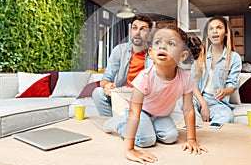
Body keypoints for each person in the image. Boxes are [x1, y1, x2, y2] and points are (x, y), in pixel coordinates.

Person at [103, 24, 207, 164]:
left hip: (161, 114)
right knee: (146, 140)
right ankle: (120, 124)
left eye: (170, 43)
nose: (162, 47)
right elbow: (135, 111)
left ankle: (147, 127)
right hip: (141, 112)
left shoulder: (186, 77)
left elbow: (188, 109)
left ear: (183, 55)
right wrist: (130, 150)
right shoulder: (145, 77)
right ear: (151, 53)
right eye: (158, 43)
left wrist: (191, 139)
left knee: (171, 137)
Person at [92, 14, 153, 117]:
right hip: (122, 94)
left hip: (143, 98)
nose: (137, 32)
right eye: (134, 28)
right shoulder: (119, 50)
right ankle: (111, 122)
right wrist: (107, 85)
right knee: (98, 93)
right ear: (130, 31)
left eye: (143, 29)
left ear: (149, 34)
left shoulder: (154, 53)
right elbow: (106, 78)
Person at [191, 15, 242, 124]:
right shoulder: (200, 56)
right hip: (198, 99)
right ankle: (198, 128)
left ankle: (204, 131)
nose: (215, 31)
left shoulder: (234, 58)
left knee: (227, 116)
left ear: (226, 33)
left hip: (217, 102)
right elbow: (193, 85)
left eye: (219, 28)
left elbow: (232, 85)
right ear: (208, 35)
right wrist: (203, 105)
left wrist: (224, 91)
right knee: (186, 106)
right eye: (211, 29)